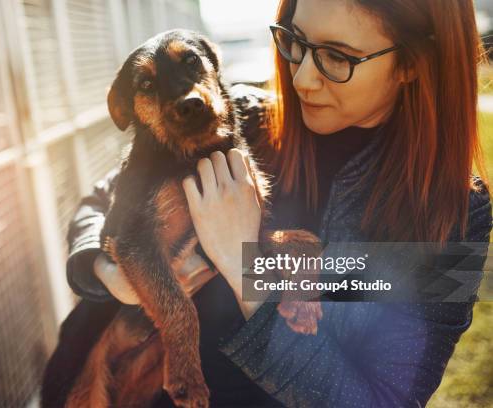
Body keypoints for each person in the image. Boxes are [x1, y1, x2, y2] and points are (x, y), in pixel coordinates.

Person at [41, 0, 493, 407]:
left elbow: (385, 399)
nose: (301, 78)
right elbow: (100, 201)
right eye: (294, 42)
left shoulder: (455, 214)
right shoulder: (239, 117)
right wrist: (108, 277)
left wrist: (245, 266)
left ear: (413, 63)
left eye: (337, 56)